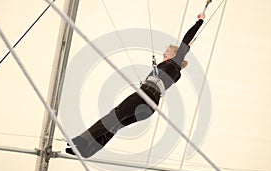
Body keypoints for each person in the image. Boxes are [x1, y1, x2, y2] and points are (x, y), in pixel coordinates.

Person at [66, 13, 205, 158]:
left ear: (175, 54)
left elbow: (186, 41)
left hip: (146, 95)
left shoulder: (175, 64)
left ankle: (83, 141)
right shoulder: (171, 70)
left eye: (167, 52)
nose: (164, 54)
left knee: (114, 116)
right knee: (116, 124)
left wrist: (199, 22)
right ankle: (87, 150)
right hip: (150, 106)